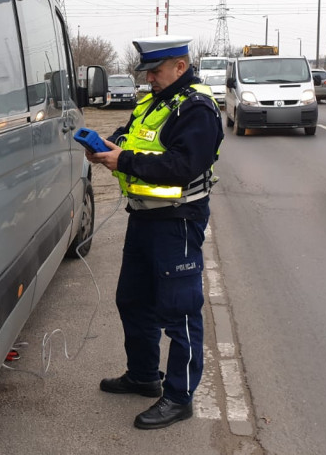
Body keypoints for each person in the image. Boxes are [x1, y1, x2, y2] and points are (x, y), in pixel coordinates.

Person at [85, 35, 224, 430]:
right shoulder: (153, 101)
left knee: (179, 312)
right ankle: (144, 375)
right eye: (146, 71)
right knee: (132, 299)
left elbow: (183, 165)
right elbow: (132, 137)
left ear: (181, 67)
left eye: (156, 71)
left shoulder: (197, 107)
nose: (149, 78)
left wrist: (123, 159)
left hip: (177, 221)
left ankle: (179, 397)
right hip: (144, 218)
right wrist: (108, 147)